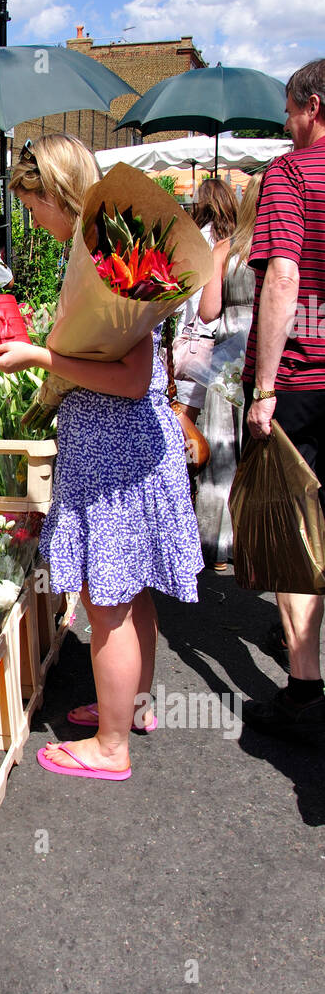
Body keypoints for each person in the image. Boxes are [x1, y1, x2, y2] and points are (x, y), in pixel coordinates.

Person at [0, 132, 203, 781]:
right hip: (128, 445)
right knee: (130, 592)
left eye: (32, 206)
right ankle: (128, 710)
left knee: (105, 599)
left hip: (114, 451)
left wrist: (40, 356)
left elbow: (132, 377)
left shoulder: (108, 258)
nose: (31, 220)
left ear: (55, 193)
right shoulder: (114, 247)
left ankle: (110, 748)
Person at [240, 58, 325, 737]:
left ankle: (302, 691)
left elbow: (283, 277)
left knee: (299, 533)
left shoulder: (291, 172)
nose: (286, 126)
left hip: (302, 379)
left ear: (312, 106)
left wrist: (263, 388)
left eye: (289, 113)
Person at [193, 175, 261, 567]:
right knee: (262, 454)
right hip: (271, 353)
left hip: (229, 357)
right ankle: (260, 546)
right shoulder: (286, 247)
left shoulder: (226, 248)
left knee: (222, 454)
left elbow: (207, 312)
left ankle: (219, 549)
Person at [172, 179, 238, 424]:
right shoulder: (235, 242)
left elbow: (181, 297)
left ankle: (192, 463)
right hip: (227, 343)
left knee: (187, 424)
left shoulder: (196, 240)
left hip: (195, 339)